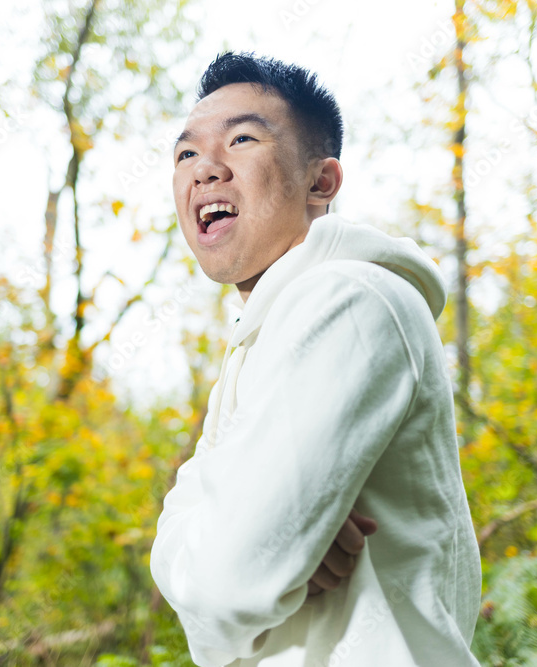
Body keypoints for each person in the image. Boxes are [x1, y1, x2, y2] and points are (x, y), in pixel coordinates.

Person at [149, 51, 482, 667]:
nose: (205, 169)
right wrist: (269, 540)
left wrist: (250, 545)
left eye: (241, 139)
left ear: (321, 182)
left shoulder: (350, 299)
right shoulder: (257, 342)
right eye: (186, 153)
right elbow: (182, 551)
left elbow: (224, 584)